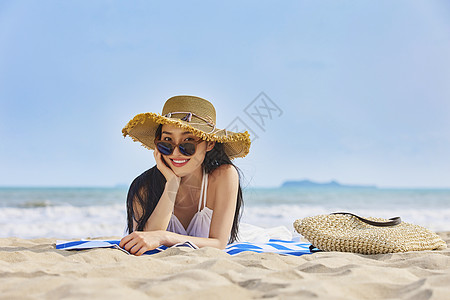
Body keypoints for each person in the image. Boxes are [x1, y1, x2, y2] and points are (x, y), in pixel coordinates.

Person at [119, 95, 251, 255]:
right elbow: (144, 242)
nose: (175, 152)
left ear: (209, 143)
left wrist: (163, 236)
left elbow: (219, 243)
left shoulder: (224, 176)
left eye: (188, 142)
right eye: (167, 141)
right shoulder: (144, 187)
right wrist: (172, 184)